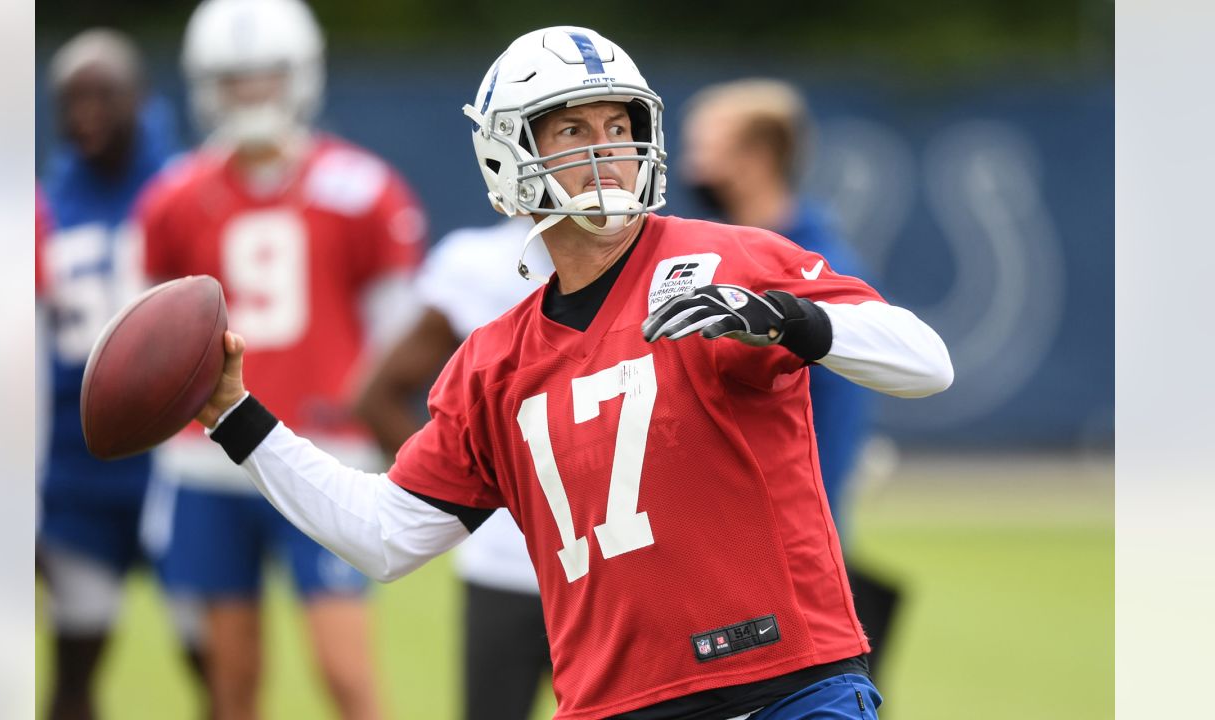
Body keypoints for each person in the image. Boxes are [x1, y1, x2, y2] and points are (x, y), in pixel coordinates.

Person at [192, 26, 952, 720]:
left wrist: (789, 318)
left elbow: (924, 361)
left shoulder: (730, 260)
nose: (607, 149)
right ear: (509, 153)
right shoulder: (492, 363)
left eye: (619, 127)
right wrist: (236, 418)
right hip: (617, 705)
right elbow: (384, 535)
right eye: (573, 130)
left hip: (789, 684)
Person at [133, 1, 425, 718]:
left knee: (345, 671)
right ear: (208, 85)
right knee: (230, 680)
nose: (251, 95)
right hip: (207, 458)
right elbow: (150, 340)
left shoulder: (360, 188)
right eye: (235, 80)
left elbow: (400, 333)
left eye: (264, 78)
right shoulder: (173, 197)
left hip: (320, 446)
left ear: (297, 76)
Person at [680, 79, 901, 677]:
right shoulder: (702, 256)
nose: (690, 164)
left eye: (707, 148)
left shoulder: (817, 267)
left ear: (756, 158)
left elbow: (834, 423)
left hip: (782, 549)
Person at [35, 29, 206, 720]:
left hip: (177, 464)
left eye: (104, 94)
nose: (87, 112)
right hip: (78, 469)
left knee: (214, 656)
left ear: (141, 97)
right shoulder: (43, 207)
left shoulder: (186, 193)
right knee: (74, 660)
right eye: (72, 98)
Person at [356, 216, 554, 720]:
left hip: (615, 562)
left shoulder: (652, 260)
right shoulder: (476, 262)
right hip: (508, 562)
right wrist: (456, 492)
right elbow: (376, 395)